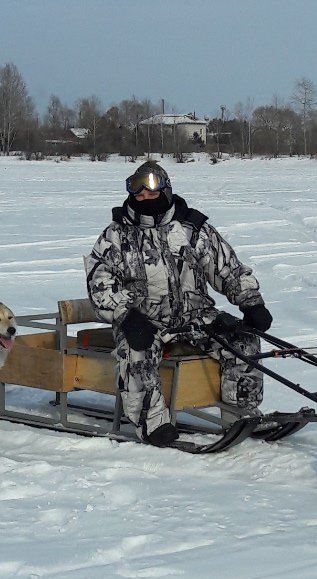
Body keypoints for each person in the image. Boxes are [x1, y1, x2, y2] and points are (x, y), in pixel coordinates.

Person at [85, 161, 273, 447]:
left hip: (196, 316)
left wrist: (251, 302)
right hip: (145, 320)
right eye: (138, 191)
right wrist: (125, 316)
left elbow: (227, 268)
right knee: (136, 354)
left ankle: (241, 413)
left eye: (151, 189)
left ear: (166, 188)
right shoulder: (116, 235)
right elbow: (99, 281)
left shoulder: (191, 228)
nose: (145, 196)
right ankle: (153, 423)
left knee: (244, 342)